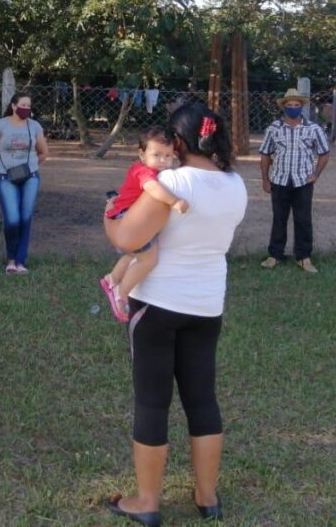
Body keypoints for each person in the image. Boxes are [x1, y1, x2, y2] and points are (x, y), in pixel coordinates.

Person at [102, 103, 247, 525]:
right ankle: (207, 496)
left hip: (159, 304)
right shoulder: (235, 184)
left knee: (152, 402)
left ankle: (146, 502)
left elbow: (128, 239)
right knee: (203, 399)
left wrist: (107, 215)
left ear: (178, 142)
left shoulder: (171, 181)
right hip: (207, 305)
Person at [100, 126, 190, 323]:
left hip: (124, 216)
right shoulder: (144, 172)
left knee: (134, 254)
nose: (163, 161)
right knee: (148, 260)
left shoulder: (147, 169)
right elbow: (152, 189)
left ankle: (111, 279)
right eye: (156, 155)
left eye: (168, 156)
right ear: (142, 154)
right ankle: (120, 294)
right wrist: (174, 201)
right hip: (126, 218)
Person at [259, 88, 330, 273]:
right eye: (289, 105)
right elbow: (265, 155)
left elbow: (324, 153)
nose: (293, 108)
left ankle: (304, 257)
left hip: (303, 182)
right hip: (279, 180)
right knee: (279, 219)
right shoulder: (273, 129)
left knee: (303, 220)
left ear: (302, 107)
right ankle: (275, 255)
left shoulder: (313, 129)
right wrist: (265, 179)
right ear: (283, 107)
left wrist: (315, 174)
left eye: (296, 105)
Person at [0, 92, 49, 274]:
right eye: (22, 105)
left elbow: (43, 152)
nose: (26, 109)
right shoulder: (0, 125)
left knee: (26, 218)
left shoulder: (34, 126)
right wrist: (1, 167)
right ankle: (10, 258)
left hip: (30, 177)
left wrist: (31, 167)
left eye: (29, 106)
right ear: (13, 106)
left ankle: (20, 261)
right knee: (12, 218)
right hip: (5, 177)